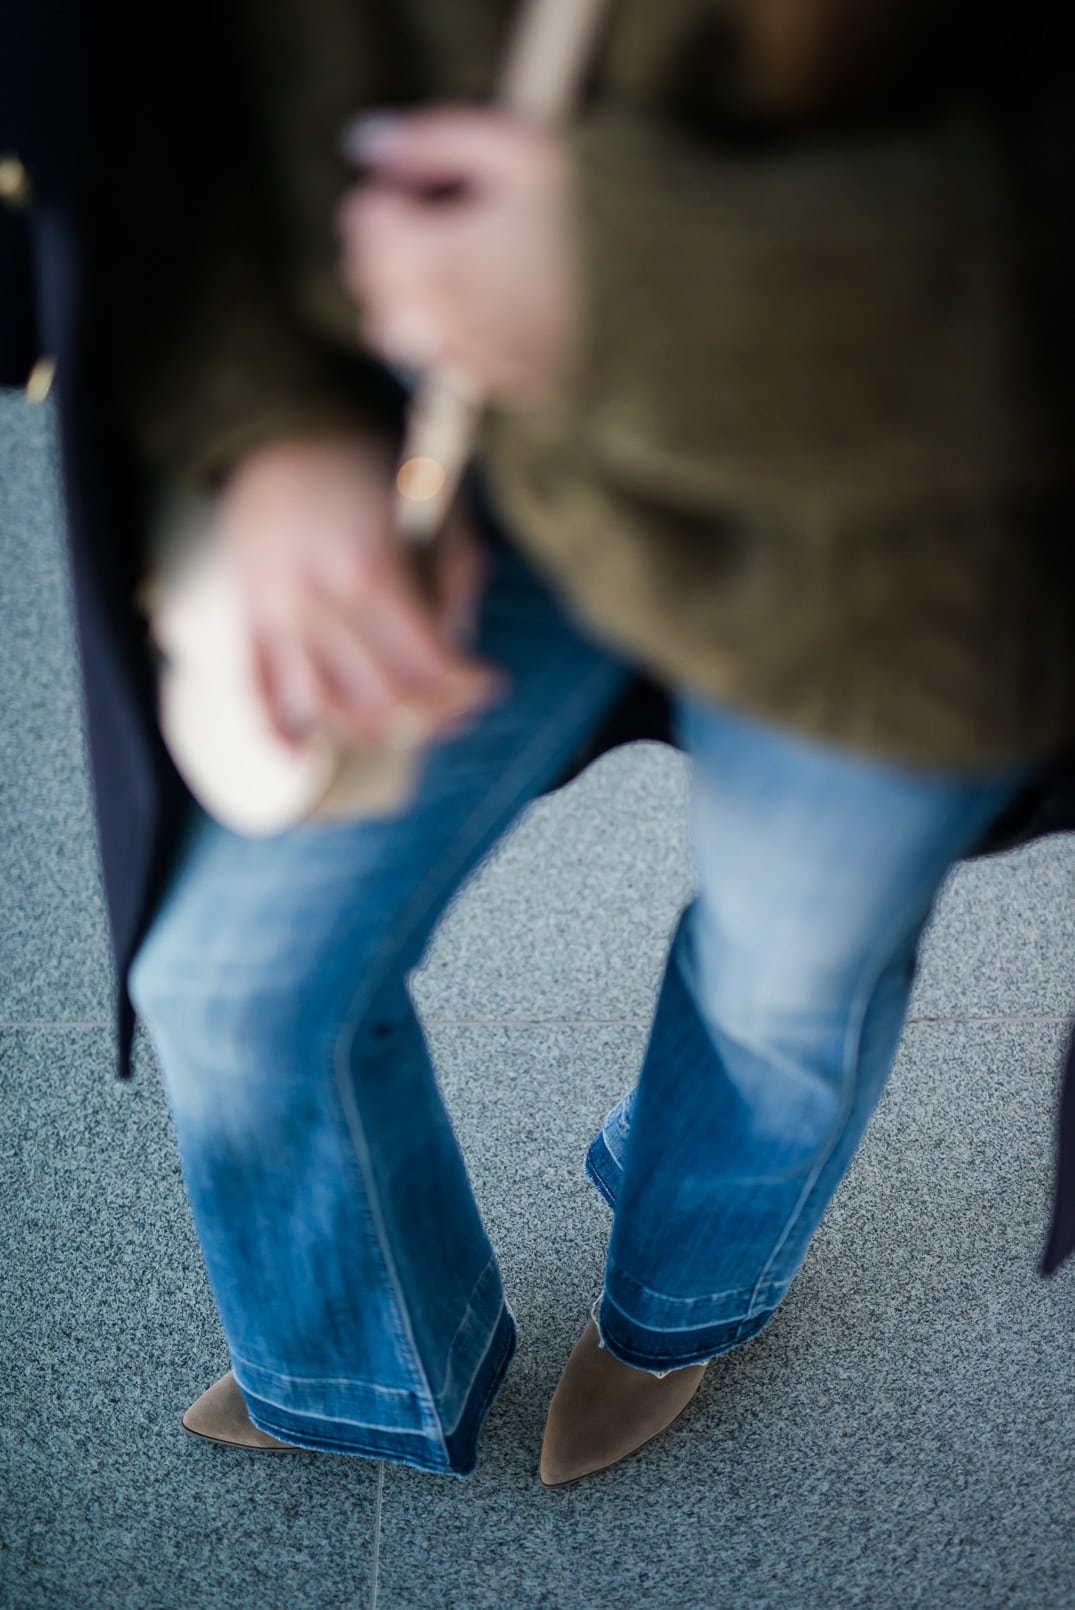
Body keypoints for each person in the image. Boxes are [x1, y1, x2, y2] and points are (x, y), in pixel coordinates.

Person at [5, 0, 1075, 1485]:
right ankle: (364, 1363)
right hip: (451, 424)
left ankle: (677, 1303)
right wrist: (265, 422)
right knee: (236, 982)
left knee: (784, 983)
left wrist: (627, 283)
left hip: (896, 529)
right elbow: (162, 79)